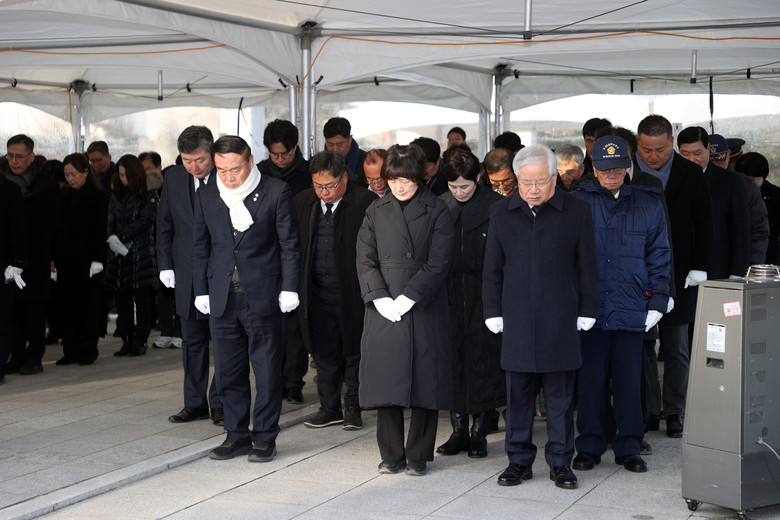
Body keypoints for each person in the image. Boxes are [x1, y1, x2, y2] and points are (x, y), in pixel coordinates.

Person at [482, 145, 598, 489]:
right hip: (516, 319)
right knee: (518, 396)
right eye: (526, 182)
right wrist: (492, 311)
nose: (533, 189)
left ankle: (560, 462)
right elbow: (492, 268)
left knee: (560, 398)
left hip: (561, 317)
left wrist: (587, 310)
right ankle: (518, 460)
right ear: (517, 180)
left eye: (541, 182)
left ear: (554, 178)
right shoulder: (501, 213)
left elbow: (587, 265)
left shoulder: (577, 210)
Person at [193, 135, 300, 463]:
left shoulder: (275, 191)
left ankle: (265, 436)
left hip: (263, 295)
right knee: (228, 371)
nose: (229, 177)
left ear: (250, 161)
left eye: (235, 169)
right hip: (222, 297)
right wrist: (201, 290)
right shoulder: (208, 193)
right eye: (222, 170)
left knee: (267, 371)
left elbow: (289, 244)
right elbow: (201, 245)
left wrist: (290, 287)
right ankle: (236, 434)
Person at [570, 136, 671, 474]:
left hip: (631, 306)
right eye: (604, 169)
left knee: (630, 383)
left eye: (617, 168)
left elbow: (659, 255)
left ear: (627, 167)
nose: (611, 175)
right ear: (593, 168)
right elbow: (564, 256)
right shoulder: (576, 202)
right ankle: (590, 445)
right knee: (590, 383)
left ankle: (629, 446)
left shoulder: (648, 203)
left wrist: (658, 300)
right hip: (590, 309)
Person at [356, 143, 454, 477]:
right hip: (384, 305)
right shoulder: (375, 209)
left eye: (406, 179)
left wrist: (410, 296)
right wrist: (380, 298)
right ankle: (390, 454)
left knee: (425, 380)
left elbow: (440, 261)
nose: (399, 186)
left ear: (420, 176)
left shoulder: (437, 209)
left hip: (423, 303)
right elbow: (364, 257)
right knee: (387, 379)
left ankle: (418, 454)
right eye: (393, 179)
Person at [635, 115, 713, 438]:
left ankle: (675, 410)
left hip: (679, 273)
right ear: (637, 145)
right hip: (638, 273)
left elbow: (704, 223)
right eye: (646, 150)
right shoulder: (626, 172)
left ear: (672, 142)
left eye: (661, 150)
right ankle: (649, 409)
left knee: (677, 345)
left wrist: (700, 266)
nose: (653, 157)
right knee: (643, 345)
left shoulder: (690, 173)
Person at [295, 151, 377, 430]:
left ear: (344, 178)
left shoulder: (365, 202)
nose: (324, 192)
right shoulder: (304, 201)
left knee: (354, 350)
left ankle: (353, 407)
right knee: (323, 352)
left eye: (330, 186)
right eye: (318, 186)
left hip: (353, 291)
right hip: (316, 291)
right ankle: (329, 408)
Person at [436, 147, 505, 459]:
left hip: (484, 290)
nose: (460, 192)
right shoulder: (440, 204)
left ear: (478, 177)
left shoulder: (496, 206)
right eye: (453, 186)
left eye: (465, 186)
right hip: (449, 293)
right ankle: (458, 429)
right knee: (453, 360)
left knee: (484, 360)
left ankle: (480, 432)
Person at [157, 126, 223, 425]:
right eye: (187, 160)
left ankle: (221, 402)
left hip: (219, 272)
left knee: (223, 341)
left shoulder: (228, 174)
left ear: (212, 153)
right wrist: (165, 264)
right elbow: (164, 224)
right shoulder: (173, 178)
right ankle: (194, 403)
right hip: (185, 272)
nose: (194, 167)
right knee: (192, 341)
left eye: (200, 160)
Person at [258, 118, 310, 404]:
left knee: (294, 324)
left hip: (298, 254)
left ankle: (294, 381)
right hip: (266, 256)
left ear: (295, 147)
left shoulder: (308, 173)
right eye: (274, 154)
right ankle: (273, 379)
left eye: (285, 154)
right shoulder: (259, 173)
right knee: (268, 322)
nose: (279, 159)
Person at [2, 134, 58, 376]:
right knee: (13, 308)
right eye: (10, 156)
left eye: (19, 156)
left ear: (31, 156)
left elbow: (51, 224)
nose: (14, 161)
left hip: (36, 254)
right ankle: (16, 354)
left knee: (34, 307)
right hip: (10, 256)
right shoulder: (4, 183)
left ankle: (35, 355)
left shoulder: (45, 185)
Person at [51, 153, 108, 366]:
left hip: (88, 259)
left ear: (85, 172)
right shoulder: (64, 196)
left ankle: (89, 348)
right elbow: (56, 229)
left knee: (88, 305)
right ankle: (70, 349)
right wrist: (53, 257)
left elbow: (100, 229)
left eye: (73, 174)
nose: (70, 178)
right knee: (67, 305)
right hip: (66, 259)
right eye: (67, 175)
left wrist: (98, 259)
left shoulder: (97, 196)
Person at [678, 127, 750, 280]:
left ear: (708, 148)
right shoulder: (671, 180)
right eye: (685, 153)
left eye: (697, 153)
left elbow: (740, 231)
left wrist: (737, 273)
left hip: (717, 271)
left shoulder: (730, 182)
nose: (691, 159)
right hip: (680, 270)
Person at [105, 154, 159, 358]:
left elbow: (145, 221)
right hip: (119, 254)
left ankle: (140, 340)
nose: (124, 179)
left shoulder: (148, 193)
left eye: (127, 175)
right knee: (122, 299)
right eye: (120, 175)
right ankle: (126, 339)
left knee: (142, 299)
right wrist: (111, 237)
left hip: (140, 254)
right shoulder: (116, 194)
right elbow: (110, 219)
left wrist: (121, 237)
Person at [709, 134, 769, 266]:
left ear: (728, 155)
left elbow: (759, 230)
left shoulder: (745, 185)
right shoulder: (694, 182)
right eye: (711, 161)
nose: (716, 165)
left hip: (736, 264)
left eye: (720, 160)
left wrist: (753, 267)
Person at [0, 175, 27, 386]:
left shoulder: (9, 190)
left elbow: (18, 229)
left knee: (2, 317)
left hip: (4, 266)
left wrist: (17, 263)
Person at [734, 152, 780, 265]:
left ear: (763, 177)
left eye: (754, 180)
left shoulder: (776, 196)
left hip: (767, 259)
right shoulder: (732, 191)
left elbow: (772, 233)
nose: (748, 185)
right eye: (745, 179)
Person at [323, 117, 367, 187]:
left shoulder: (366, 162)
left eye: (340, 144)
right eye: (330, 144)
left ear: (350, 139)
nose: (335, 149)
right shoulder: (317, 163)